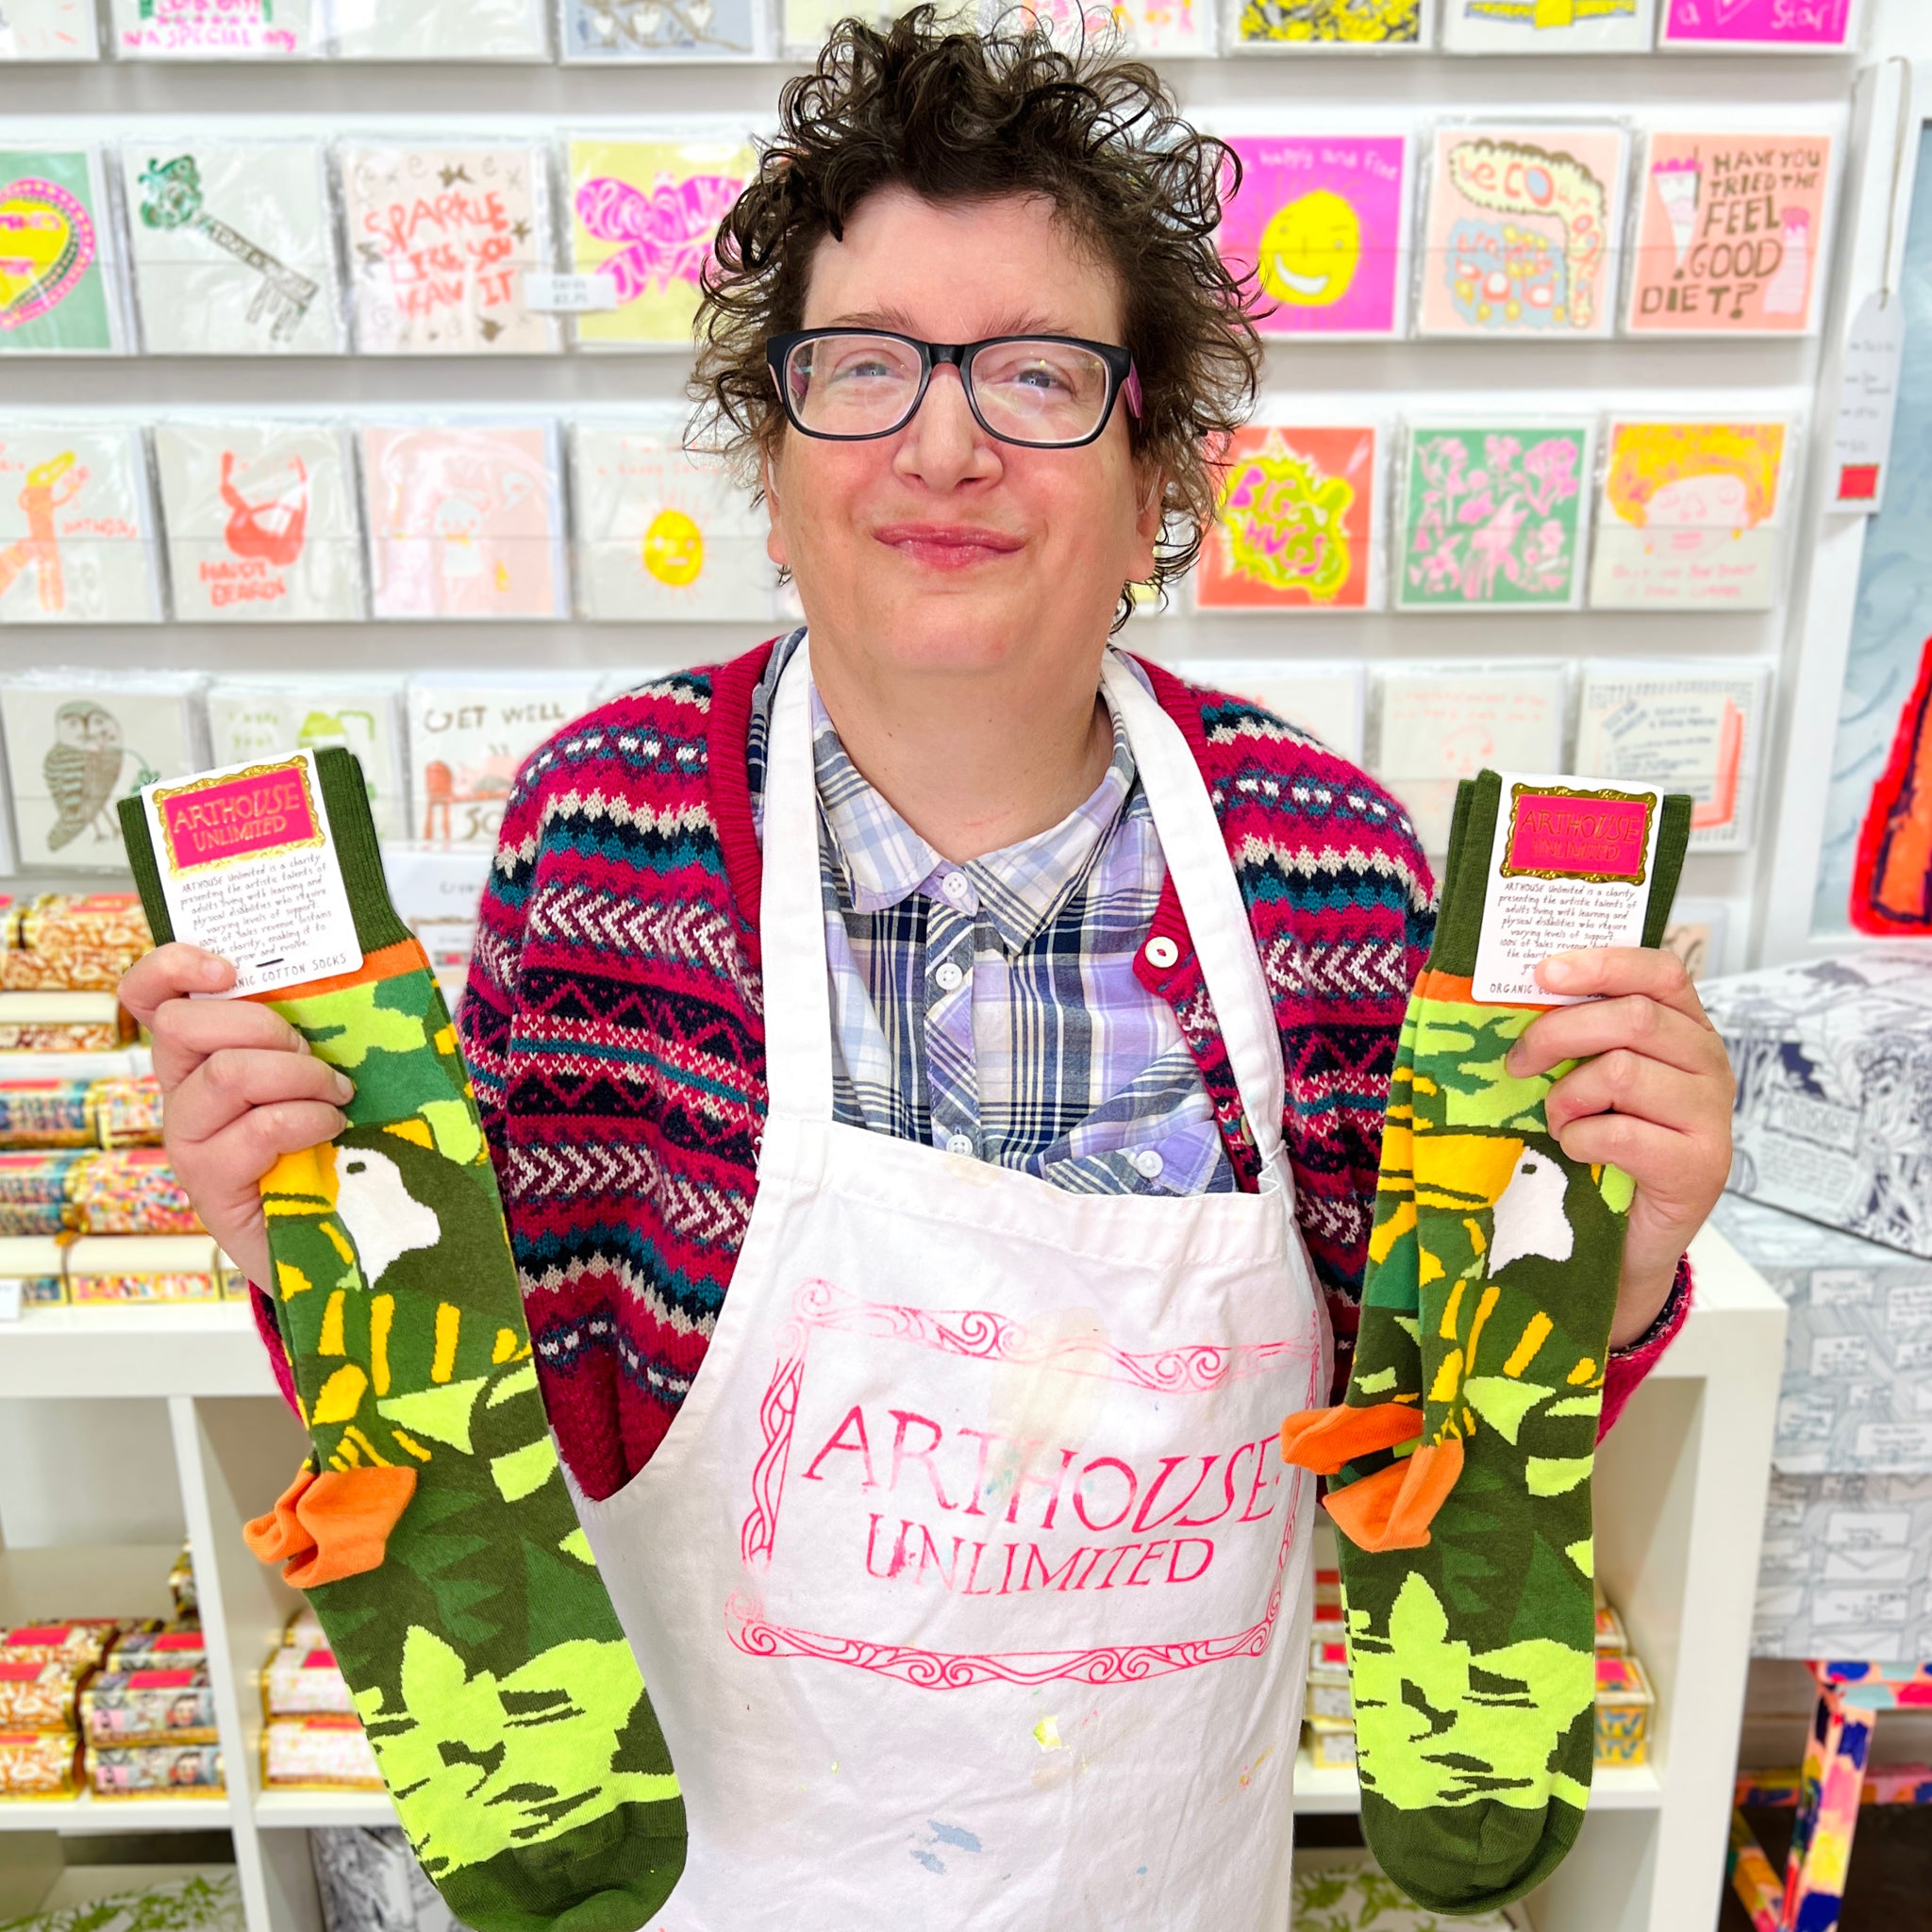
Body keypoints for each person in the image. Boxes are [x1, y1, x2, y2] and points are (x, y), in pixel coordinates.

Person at [120, 12, 1735, 1924]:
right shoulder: (608, 835)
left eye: (1040, 375)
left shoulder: (1330, 870)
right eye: (863, 369)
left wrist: (1598, 1279)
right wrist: (293, 1228)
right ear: (777, 467)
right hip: (716, 1876)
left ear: (1153, 485)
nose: (946, 440)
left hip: (1154, 1873)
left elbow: (1434, 1461)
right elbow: (496, 1419)